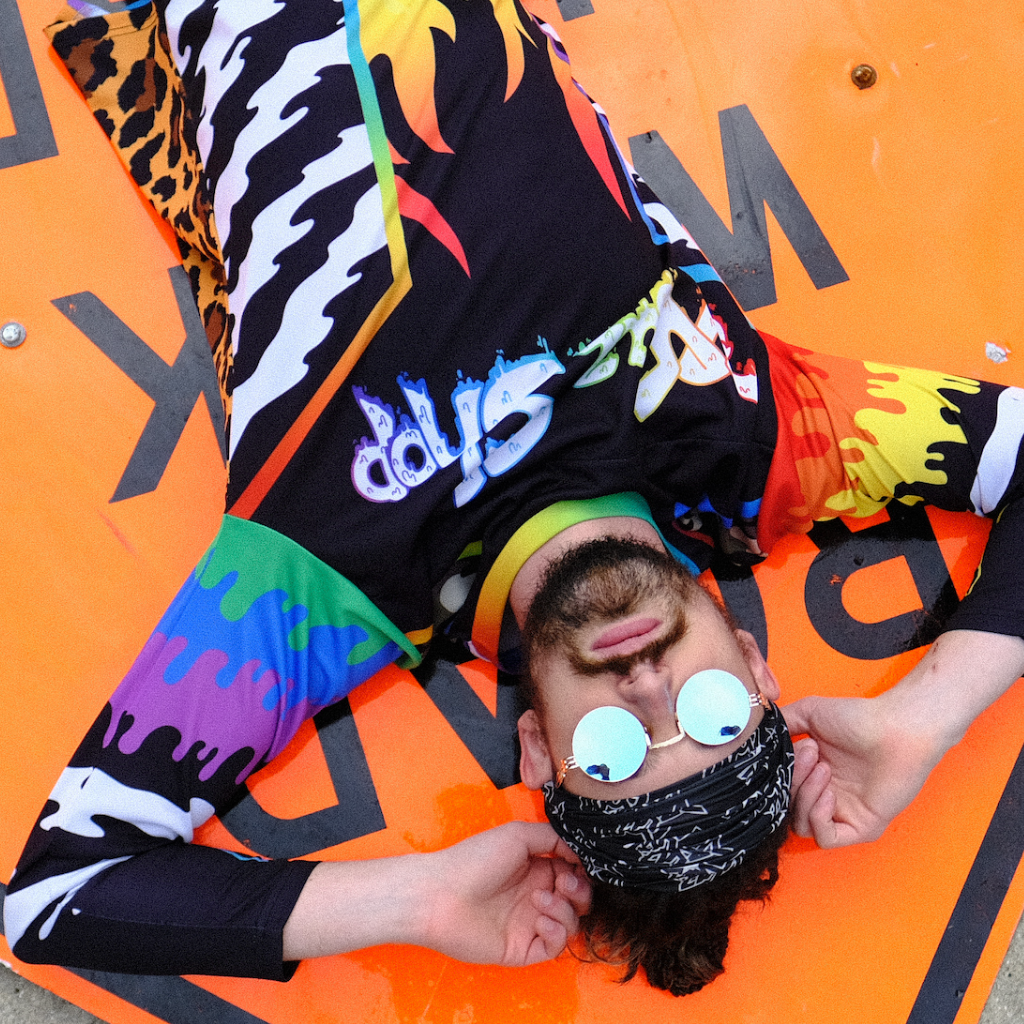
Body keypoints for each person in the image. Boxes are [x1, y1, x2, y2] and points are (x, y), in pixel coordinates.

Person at [7, 0, 1024, 997]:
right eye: (713, 715)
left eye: (613, 753)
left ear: (538, 750)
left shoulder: (329, 580)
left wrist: (416, 898)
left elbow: (59, 894)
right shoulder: (755, 433)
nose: (648, 691)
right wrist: (925, 718)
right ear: (756, 670)